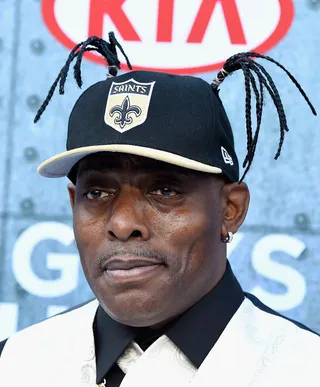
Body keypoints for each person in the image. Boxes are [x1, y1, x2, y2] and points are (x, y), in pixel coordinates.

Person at [0, 33, 319, 387]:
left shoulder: (304, 369)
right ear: (73, 203)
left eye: (165, 190)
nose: (121, 223)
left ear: (231, 209)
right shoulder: (15, 363)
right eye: (97, 193)